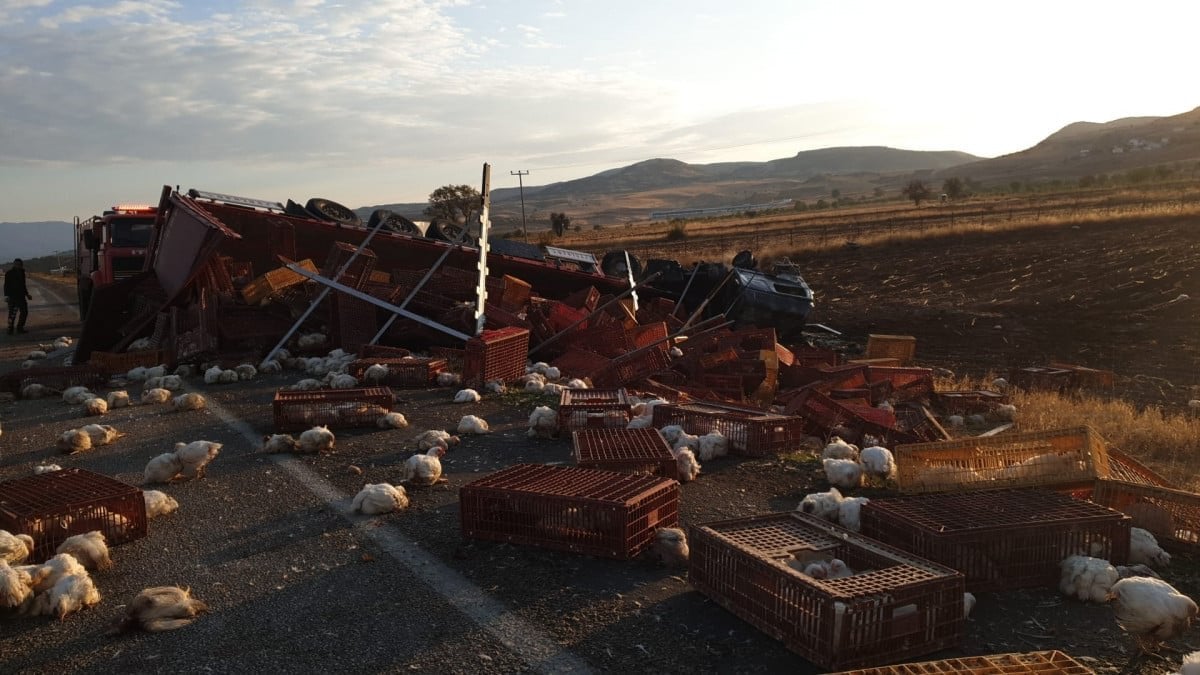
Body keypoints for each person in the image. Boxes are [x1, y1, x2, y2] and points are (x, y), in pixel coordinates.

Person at [4, 258, 32, 335]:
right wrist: (6, 296)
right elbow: (6, 285)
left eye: (19, 264)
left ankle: (20, 327)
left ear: (21, 265)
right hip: (12, 297)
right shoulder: (9, 273)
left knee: (24, 312)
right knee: (12, 314)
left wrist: (27, 294)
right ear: (14, 264)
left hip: (21, 296)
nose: (18, 266)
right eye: (16, 264)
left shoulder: (22, 273)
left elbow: (23, 285)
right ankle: (10, 329)